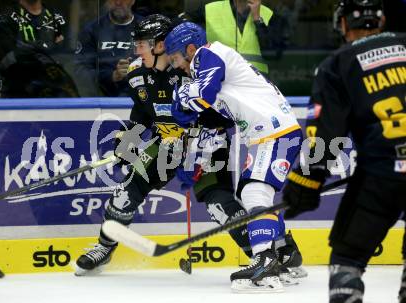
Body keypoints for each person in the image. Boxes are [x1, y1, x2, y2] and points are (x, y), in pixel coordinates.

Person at [74, 14, 261, 277]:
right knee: (126, 190)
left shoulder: (190, 68)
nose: (135, 50)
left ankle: (267, 254)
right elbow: (141, 116)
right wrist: (127, 141)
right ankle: (104, 247)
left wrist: (193, 134)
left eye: (140, 44)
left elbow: (221, 114)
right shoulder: (137, 75)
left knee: (219, 205)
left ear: (159, 45)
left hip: (205, 145)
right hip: (165, 145)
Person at [164, 21, 304, 292]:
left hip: (273, 132)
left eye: (176, 57)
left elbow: (203, 94)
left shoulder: (209, 54)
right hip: (271, 133)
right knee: (256, 193)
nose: (176, 65)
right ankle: (283, 255)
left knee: (254, 193)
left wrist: (181, 97)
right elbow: (213, 113)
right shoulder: (214, 70)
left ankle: (264, 261)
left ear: (190, 49)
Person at [281, 0, 406, 302]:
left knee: (347, 259)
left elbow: (325, 137)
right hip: (381, 171)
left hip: (381, 177)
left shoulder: (338, 64)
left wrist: (305, 183)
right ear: (382, 20)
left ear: (343, 25)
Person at [74, 0, 143, 97]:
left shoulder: (145, 27)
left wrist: (136, 70)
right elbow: (80, 72)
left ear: (133, 1)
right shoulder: (92, 30)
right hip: (102, 99)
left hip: (141, 97)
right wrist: (112, 75)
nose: (118, 2)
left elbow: (159, 65)